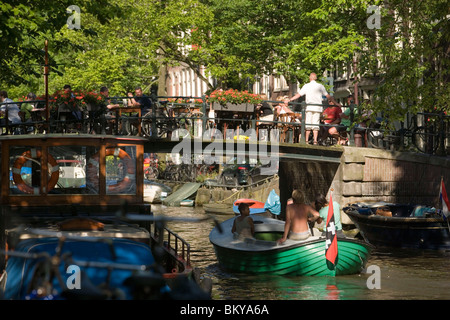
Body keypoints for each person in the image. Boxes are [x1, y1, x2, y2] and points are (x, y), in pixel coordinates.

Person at [289, 73, 341, 145]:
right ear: (316, 78)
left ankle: (306, 141)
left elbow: (299, 94)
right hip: (317, 107)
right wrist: (336, 103)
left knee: (308, 124)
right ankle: (315, 141)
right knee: (315, 124)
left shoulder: (306, 86)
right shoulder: (320, 86)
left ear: (310, 78)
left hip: (309, 107)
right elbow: (328, 96)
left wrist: (290, 100)